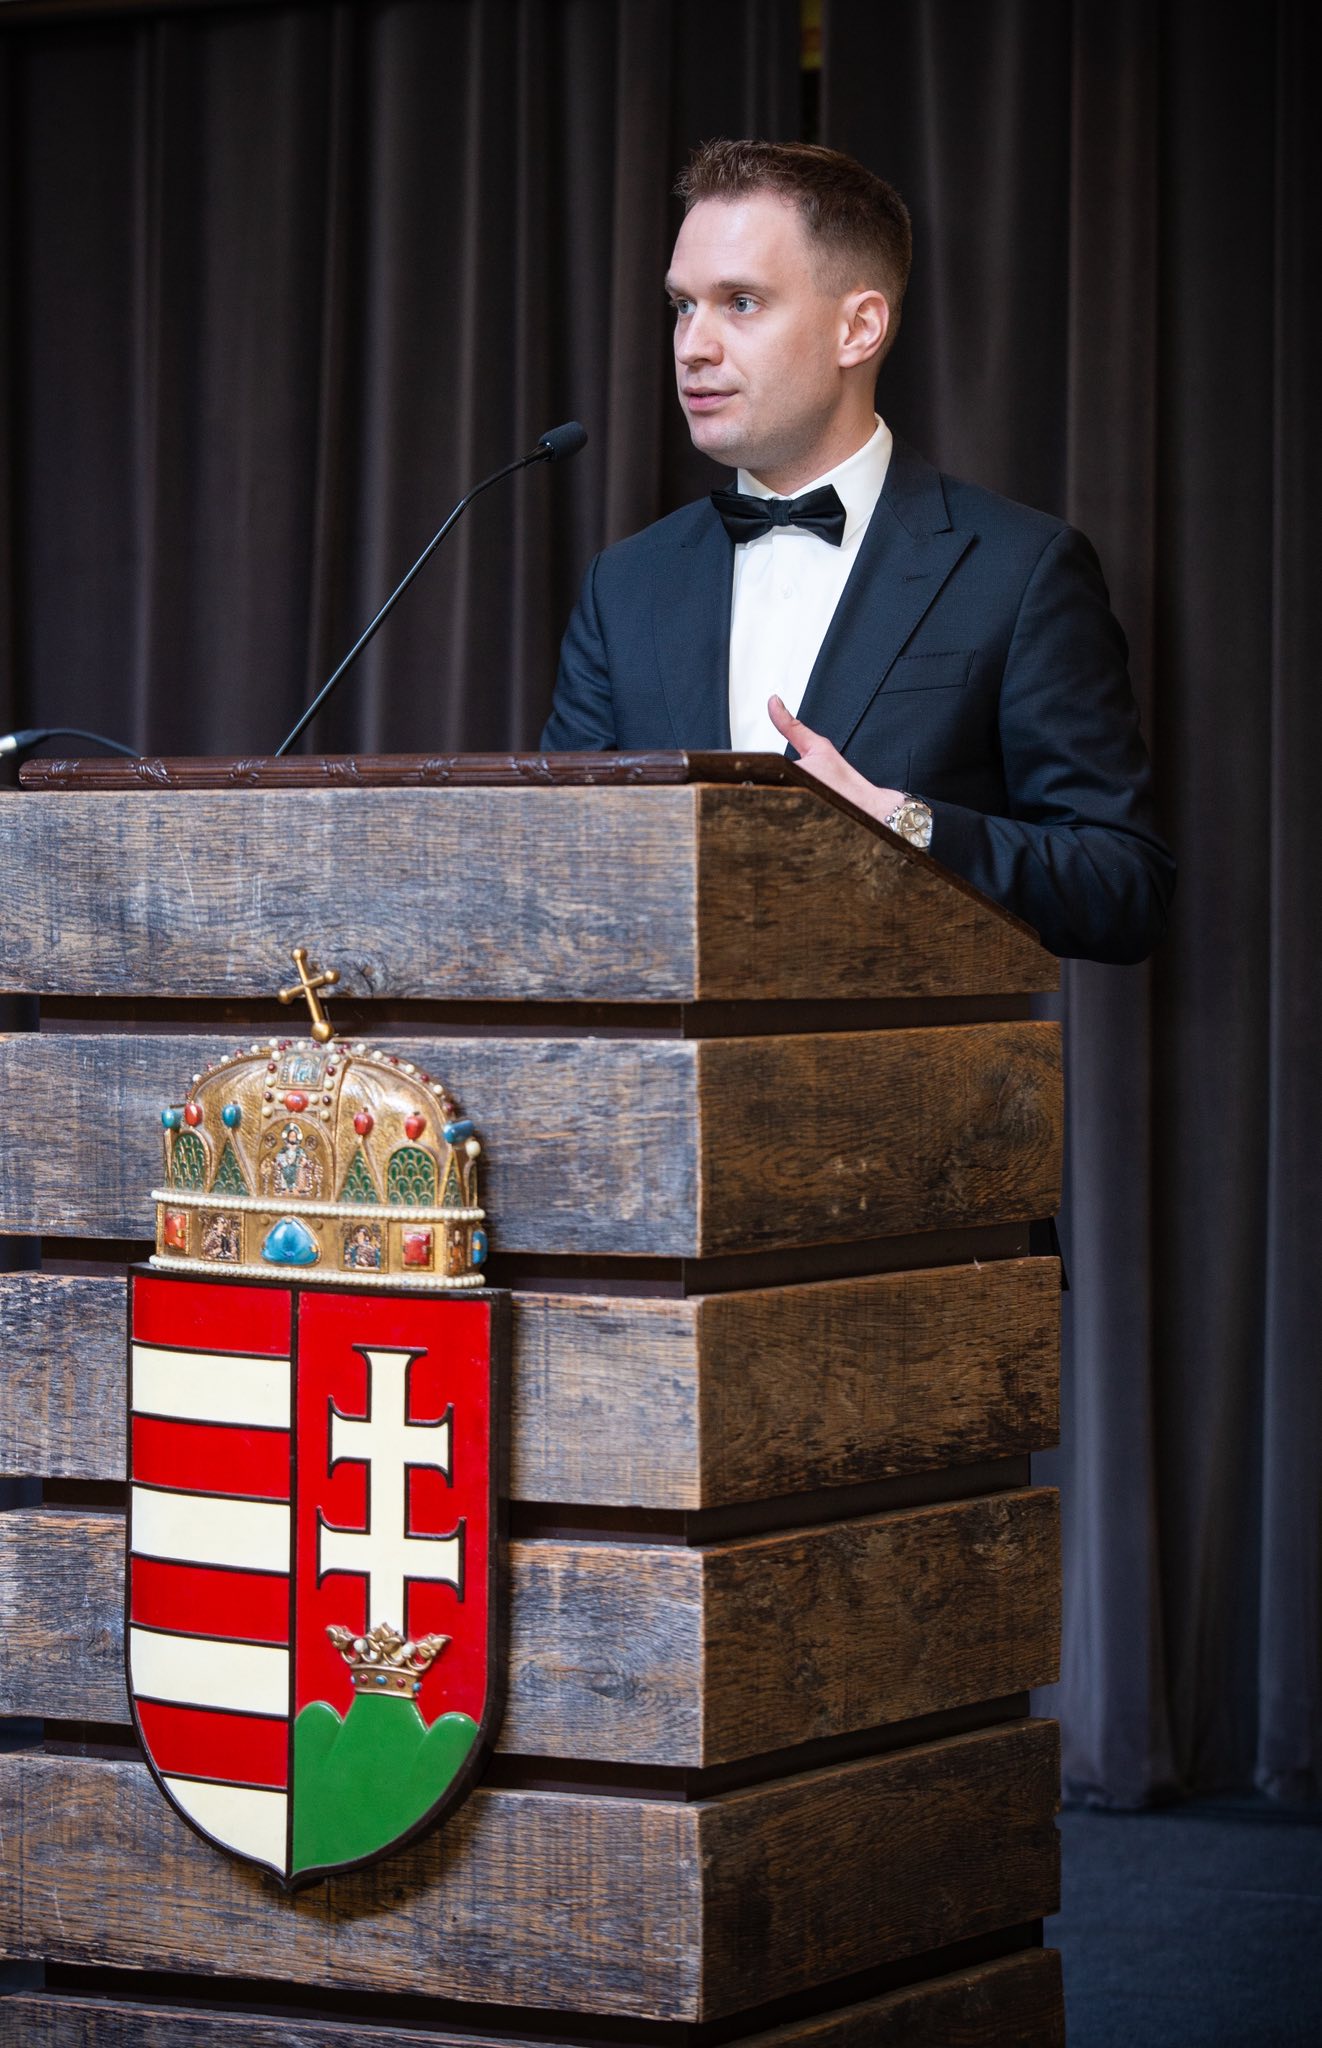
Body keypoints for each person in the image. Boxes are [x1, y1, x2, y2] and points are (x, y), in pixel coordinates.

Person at [542, 139, 1174, 965]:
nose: (692, 346)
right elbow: (554, 864)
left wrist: (902, 825)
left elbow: (1124, 886)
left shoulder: (1019, 571)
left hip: (900, 1087)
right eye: (681, 305)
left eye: (739, 303)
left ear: (858, 327)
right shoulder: (625, 584)